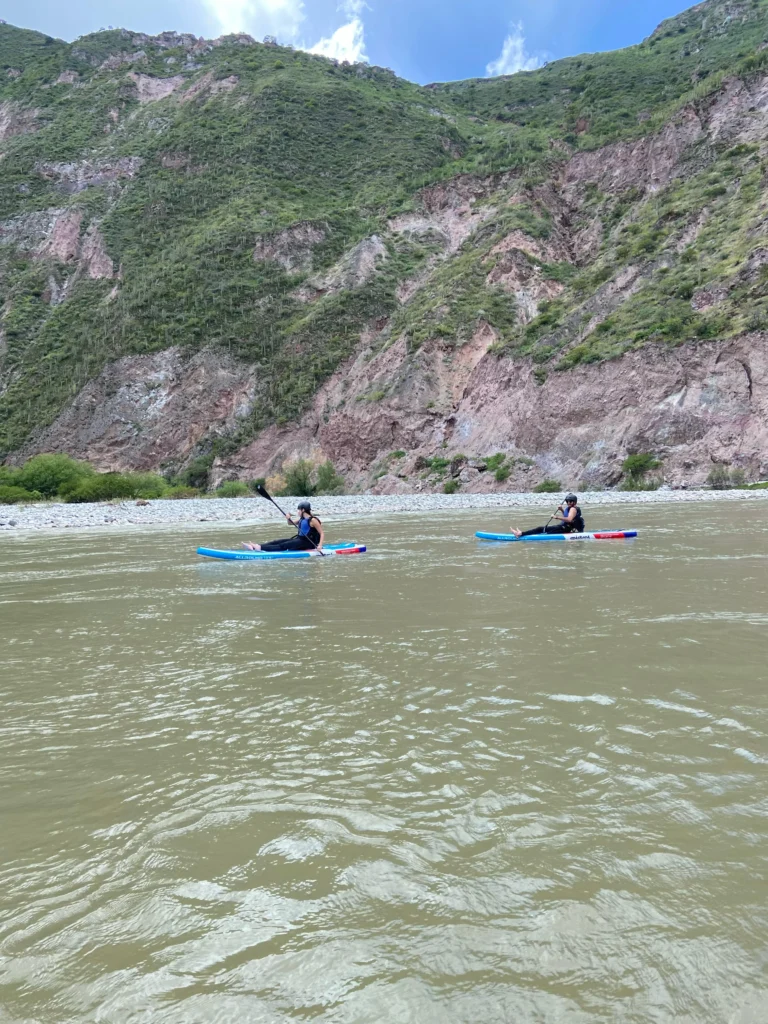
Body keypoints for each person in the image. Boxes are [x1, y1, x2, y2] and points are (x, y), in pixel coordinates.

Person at [242, 501, 324, 553]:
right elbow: (290, 523)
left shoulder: (313, 520)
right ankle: (256, 546)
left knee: (283, 546)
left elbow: (322, 533)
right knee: (277, 541)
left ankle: (259, 548)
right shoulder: (302, 519)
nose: (298, 512)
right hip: (300, 539)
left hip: (309, 543)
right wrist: (288, 518)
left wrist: (319, 546)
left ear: (303, 510)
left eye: (298, 510)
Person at [510, 494, 585, 538]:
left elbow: (569, 519)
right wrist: (561, 510)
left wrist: (556, 517)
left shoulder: (573, 509)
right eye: (567, 501)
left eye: (570, 501)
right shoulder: (571, 509)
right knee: (541, 529)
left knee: (542, 531)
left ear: (574, 502)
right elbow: (570, 518)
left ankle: (520, 534)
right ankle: (521, 533)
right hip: (564, 528)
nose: (568, 502)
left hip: (566, 529)